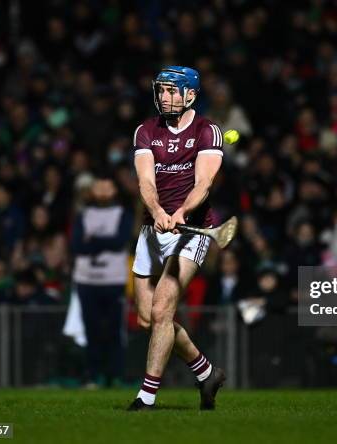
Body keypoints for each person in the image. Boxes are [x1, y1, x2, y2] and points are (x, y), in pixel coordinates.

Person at [128, 66, 226, 411]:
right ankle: (206, 372)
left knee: (162, 307)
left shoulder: (208, 131)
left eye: (172, 91)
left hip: (191, 231)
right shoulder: (145, 131)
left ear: (191, 95)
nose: (165, 97)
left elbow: (204, 183)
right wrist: (157, 212)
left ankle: (146, 397)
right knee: (148, 319)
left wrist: (181, 212)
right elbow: (145, 182)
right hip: (153, 229)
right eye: (162, 91)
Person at [71, 176, 133, 387]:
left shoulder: (122, 213)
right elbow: (77, 246)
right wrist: (106, 242)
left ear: (114, 190)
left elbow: (120, 241)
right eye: (99, 186)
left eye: (107, 185)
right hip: (86, 280)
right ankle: (92, 375)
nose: (103, 190)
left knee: (115, 330)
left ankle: (114, 375)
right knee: (92, 330)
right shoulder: (83, 214)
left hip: (113, 279)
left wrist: (93, 240)